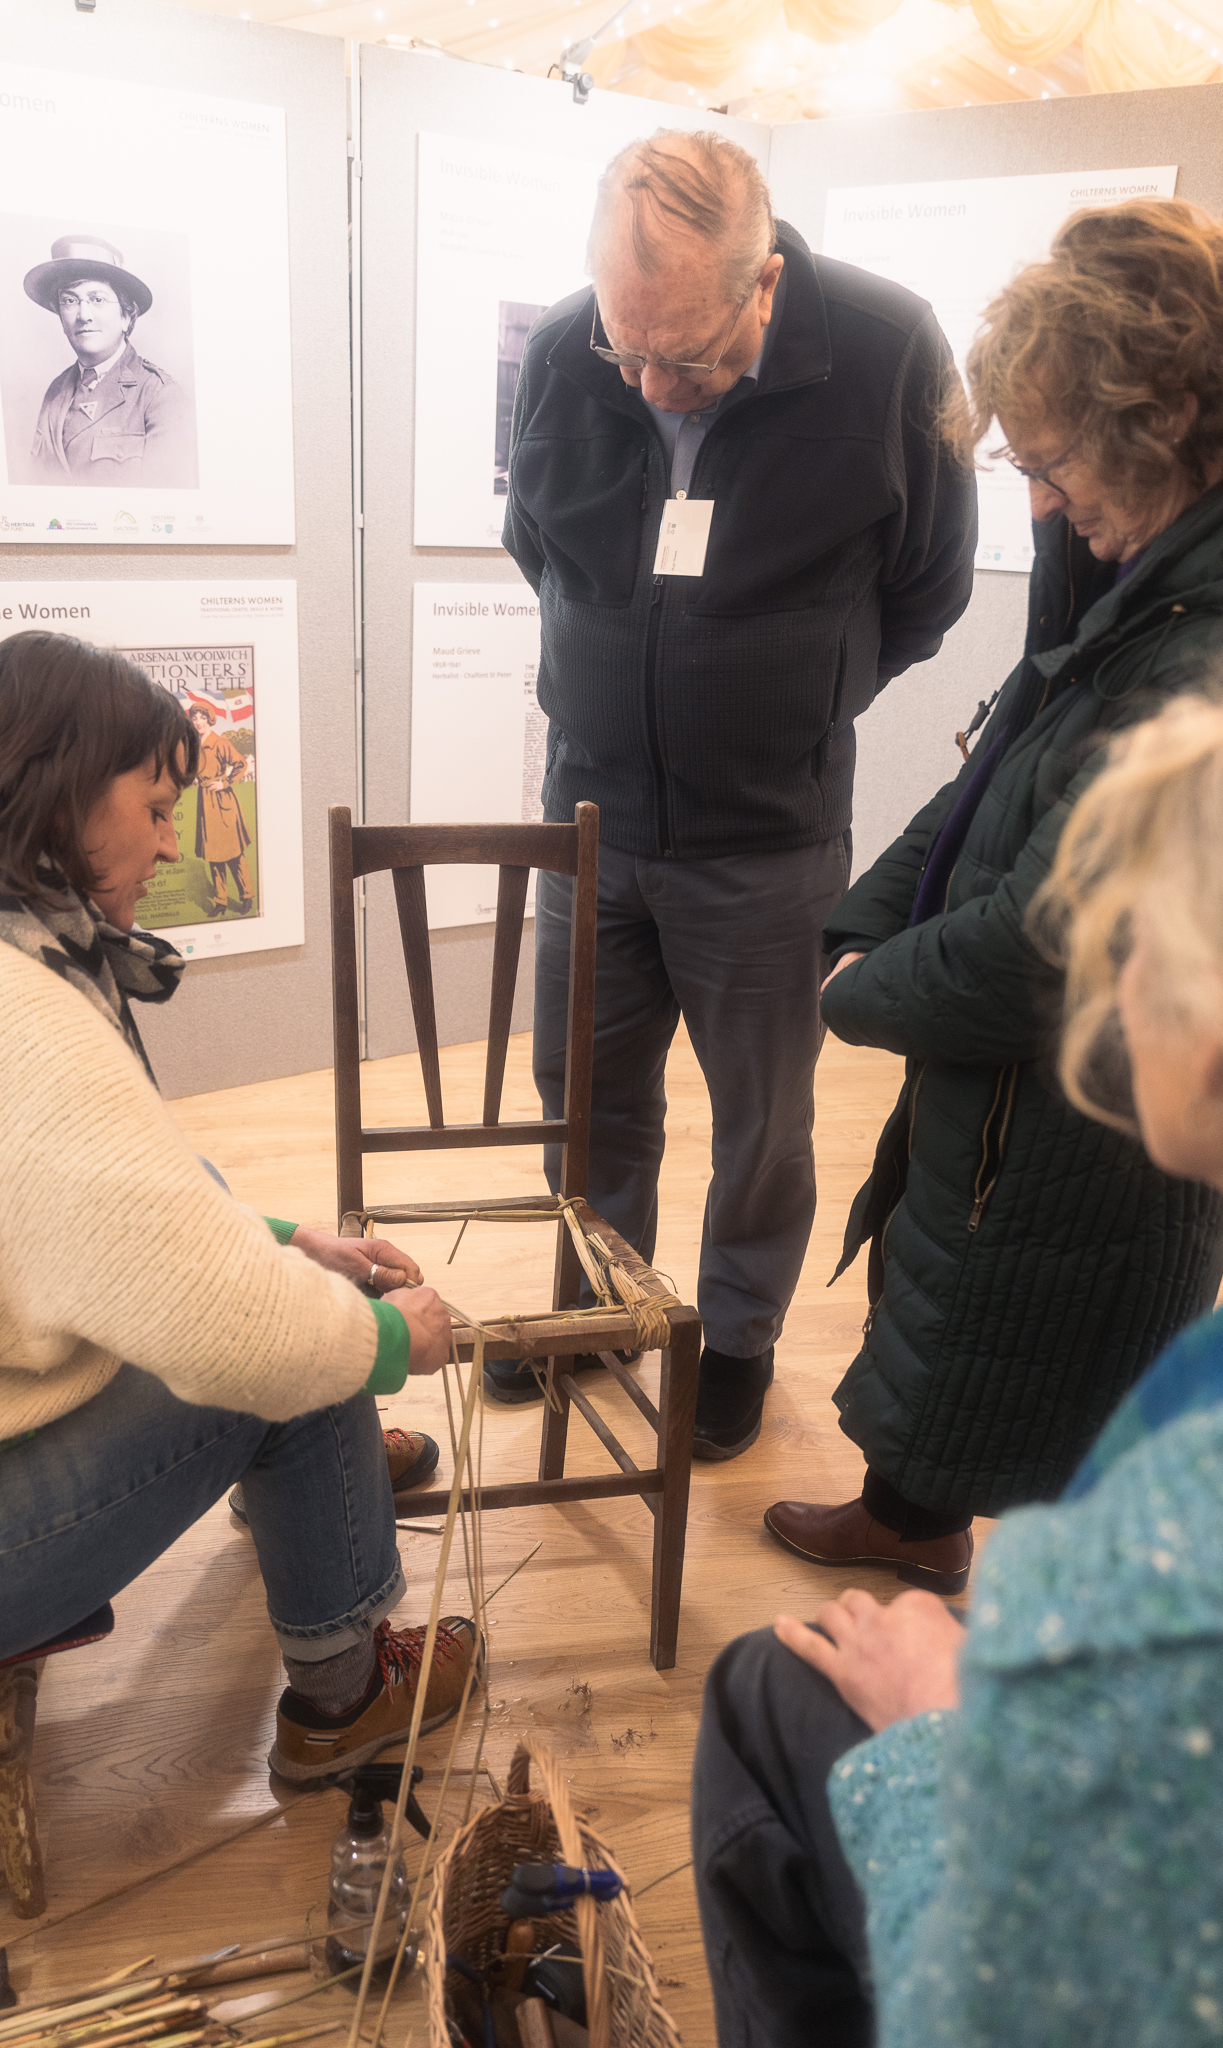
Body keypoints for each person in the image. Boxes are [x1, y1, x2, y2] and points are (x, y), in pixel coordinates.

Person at [694, 690, 1223, 2048]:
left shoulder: (1172, 1537)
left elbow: (1006, 2006)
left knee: (769, 1685)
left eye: (1119, 951)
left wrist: (941, 1733)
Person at [0, 631, 474, 1779]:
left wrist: (291, 1236)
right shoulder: (9, 1007)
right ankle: (346, 1701)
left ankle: (306, 1484)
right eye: (150, 804)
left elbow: (122, 1191)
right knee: (298, 1350)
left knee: (274, 1266)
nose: (167, 837)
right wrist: (391, 1338)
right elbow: (235, 1323)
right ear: (56, 792)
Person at [766, 198, 1223, 1594]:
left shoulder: (1194, 644)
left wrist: (860, 992)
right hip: (1017, 1102)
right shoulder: (1130, 582)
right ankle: (909, 1523)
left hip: (1076, 1109)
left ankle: (983, 1627)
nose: (1037, 496)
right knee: (952, 1289)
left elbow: (1045, 934)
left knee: (1017, 1332)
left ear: (1153, 428)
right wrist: (860, 920)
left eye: (1055, 459)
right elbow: (993, 774)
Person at [500, 130, 977, 1456]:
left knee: (762, 1119)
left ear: (762, 282)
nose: (651, 383)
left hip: (766, 837)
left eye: (684, 355)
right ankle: (596, 1309)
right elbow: (535, 546)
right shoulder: (559, 351)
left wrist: (797, 691)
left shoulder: (887, 348)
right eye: (626, 348)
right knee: (585, 1101)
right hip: (588, 814)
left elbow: (931, 579)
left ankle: (736, 1336)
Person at [23, 235, 198, 489]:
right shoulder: (56, 391)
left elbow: (166, 506)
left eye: (98, 299)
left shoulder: (160, 395)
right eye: (70, 301)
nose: (84, 315)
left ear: (127, 315)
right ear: (61, 317)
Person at [188, 699, 255, 918]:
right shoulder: (194, 744)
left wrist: (225, 782)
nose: (198, 722)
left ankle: (247, 896)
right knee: (213, 856)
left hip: (223, 803)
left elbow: (241, 764)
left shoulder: (220, 742)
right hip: (205, 803)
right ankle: (220, 901)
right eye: (195, 718)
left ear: (210, 719)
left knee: (234, 855)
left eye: (202, 718)